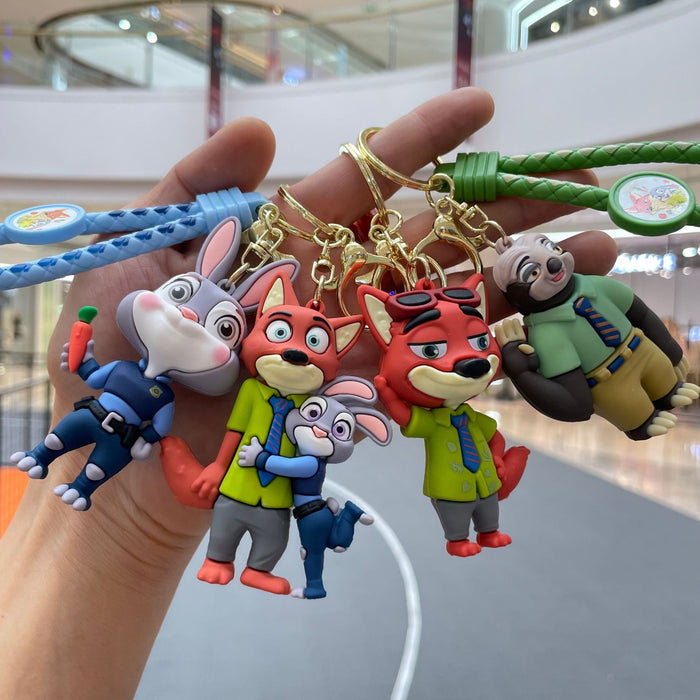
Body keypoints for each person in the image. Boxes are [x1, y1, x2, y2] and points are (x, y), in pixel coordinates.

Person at [0, 87, 617, 698]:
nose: (295, 353)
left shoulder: (299, 402)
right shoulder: (240, 392)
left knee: (267, 535)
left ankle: (256, 556)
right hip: (221, 468)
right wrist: (99, 371)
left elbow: (319, 435)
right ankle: (104, 489)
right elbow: (219, 431)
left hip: (258, 479)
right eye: (277, 335)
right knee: (112, 458)